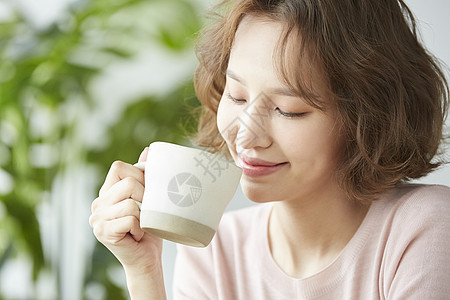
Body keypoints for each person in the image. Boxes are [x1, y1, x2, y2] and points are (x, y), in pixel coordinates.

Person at [89, 0, 450, 299]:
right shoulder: (218, 249)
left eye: (289, 110)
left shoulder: (423, 227)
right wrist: (144, 272)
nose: (247, 136)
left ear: (366, 117)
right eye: (237, 95)